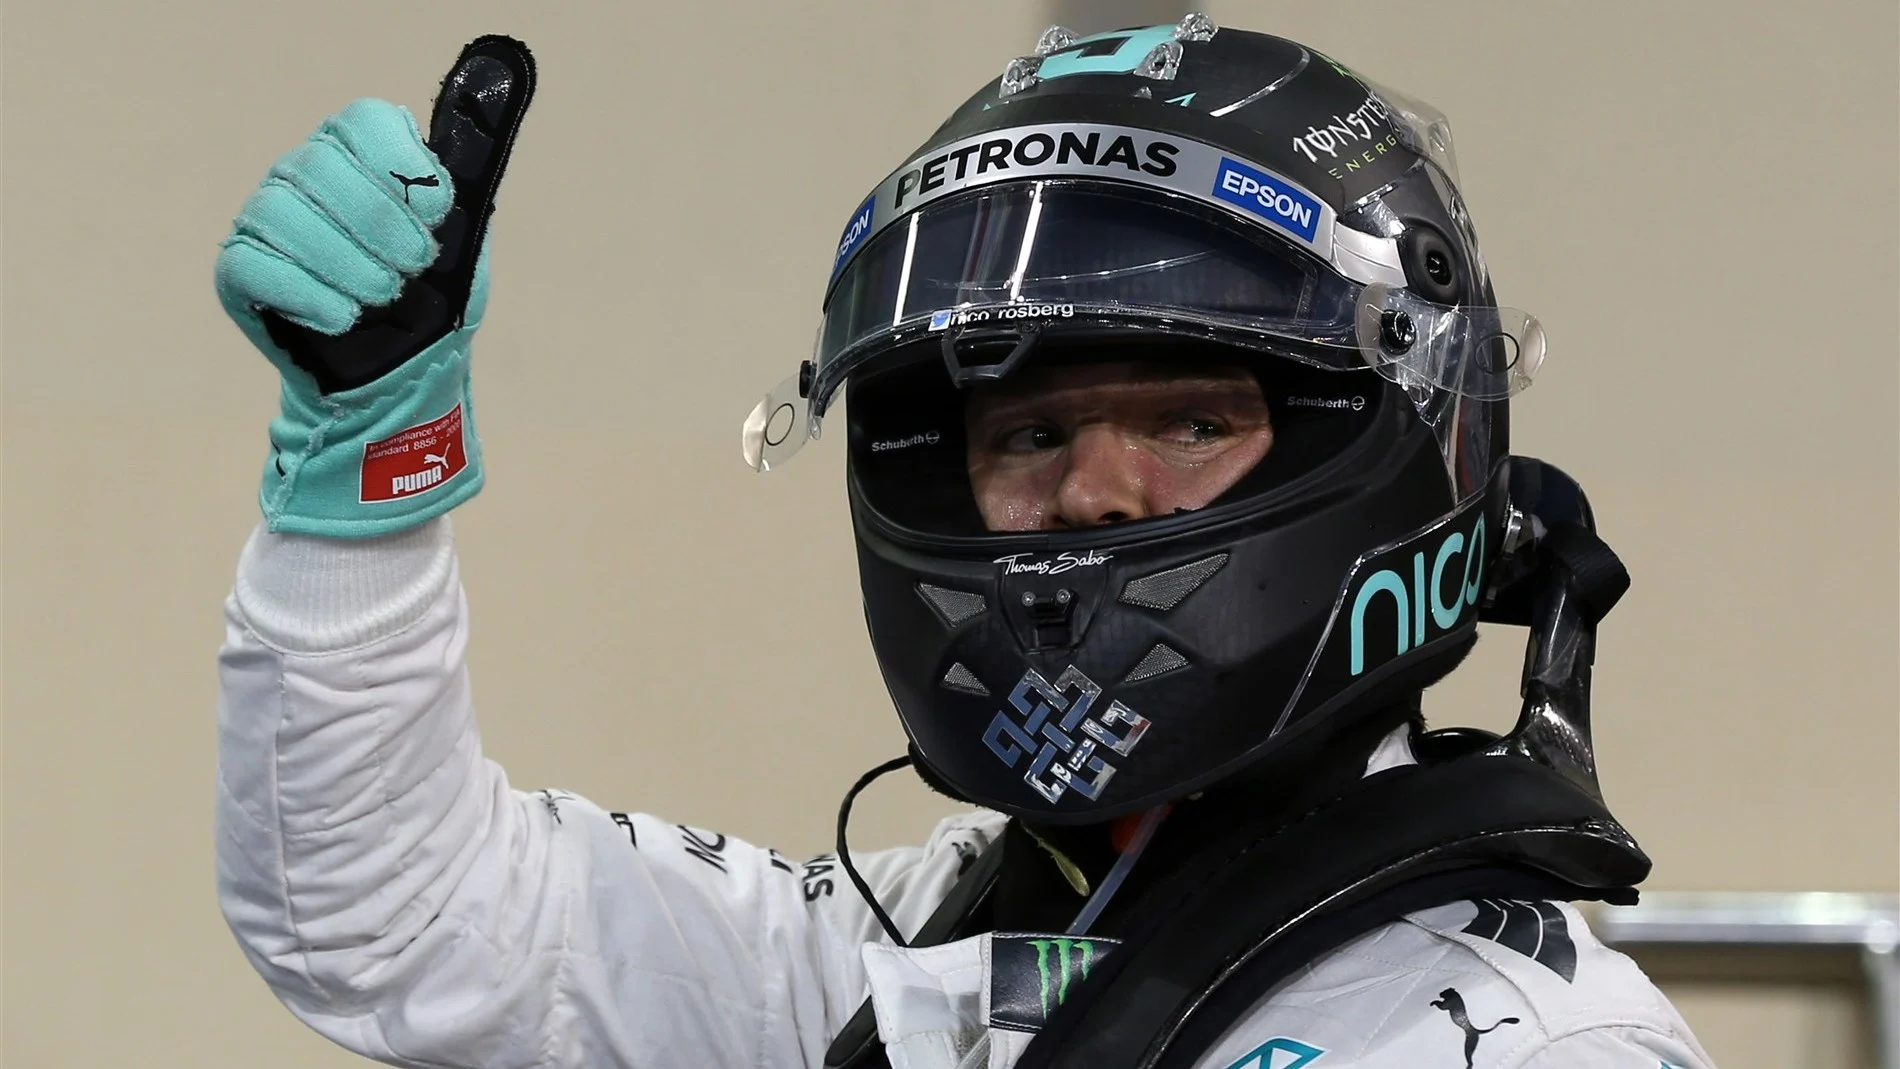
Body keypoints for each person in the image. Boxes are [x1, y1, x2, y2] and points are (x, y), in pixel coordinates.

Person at [213, 20, 1716, 1069]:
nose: (1091, 496)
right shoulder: (918, 951)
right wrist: (367, 462)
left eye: (1191, 423)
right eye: (1028, 436)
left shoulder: (1533, 1045)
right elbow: (399, 916)